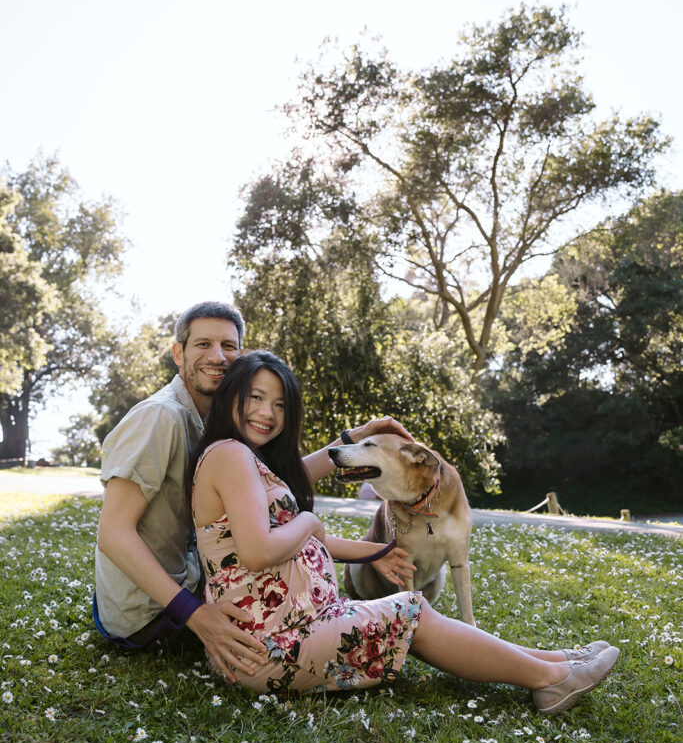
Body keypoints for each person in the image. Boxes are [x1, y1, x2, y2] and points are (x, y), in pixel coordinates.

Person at [191, 350, 620, 715]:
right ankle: (551, 679)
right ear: (232, 396)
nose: (268, 412)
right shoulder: (230, 455)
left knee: (410, 608)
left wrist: (372, 552)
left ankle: (559, 660)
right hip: (269, 648)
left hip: (297, 627)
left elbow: (305, 542)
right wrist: (309, 521)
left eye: (281, 404)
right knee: (409, 612)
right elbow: (257, 551)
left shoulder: (248, 460)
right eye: (256, 398)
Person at [95, 301, 414, 681]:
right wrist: (193, 614)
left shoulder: (214, 421)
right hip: (150, 613)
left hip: (188, 588)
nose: (218, 356)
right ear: (178, 352)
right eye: (202, 344)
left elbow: (280, 484)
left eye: (228, 346)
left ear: (240, 354)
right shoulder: (160, 417)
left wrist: (350, 441)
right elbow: (113, 533)